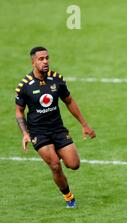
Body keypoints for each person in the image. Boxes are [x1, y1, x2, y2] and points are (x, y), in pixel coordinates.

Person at [15, 46, 96, 208]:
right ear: (33, 62)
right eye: (41, 59)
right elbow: (19, 111)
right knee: (54, 165)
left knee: (74, 164)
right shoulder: (24, 86)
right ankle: (68, 196)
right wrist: (25, 133)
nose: (45, 61)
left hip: (58, 129)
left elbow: (69, 101)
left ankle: (55, 152)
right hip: (38, 132)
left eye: (47, 58)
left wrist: (85, 125)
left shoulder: (57, 79)